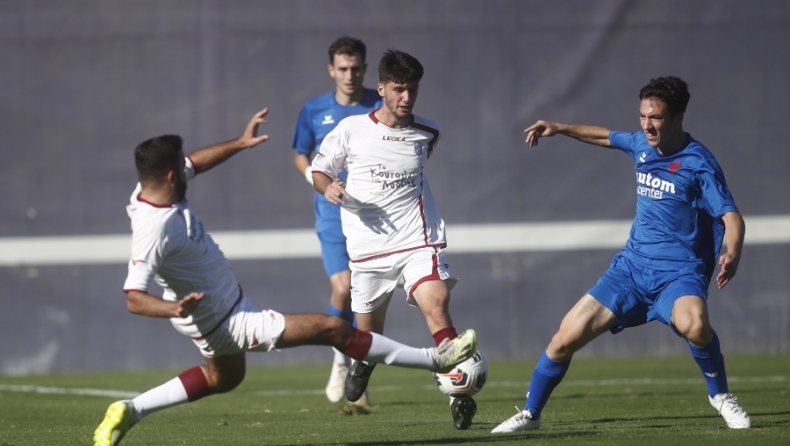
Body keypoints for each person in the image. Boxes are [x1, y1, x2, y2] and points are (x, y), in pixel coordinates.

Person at [92, 109, 478, 446]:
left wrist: (240, 143)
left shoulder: (153, 187)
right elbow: (133, 297)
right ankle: (436, 359)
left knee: (223, 379)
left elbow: (196, 162)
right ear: (170, 176)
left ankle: (130, 409)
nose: (189, 168)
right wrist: (174, 307)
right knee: (332, 328)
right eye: (182, 167)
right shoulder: (153, 228)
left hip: (221, 310)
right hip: (227, 322)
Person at [491, 76, 751, 433]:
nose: (646, 125)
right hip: (630, 271)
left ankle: (720, 395)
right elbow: (607, 137)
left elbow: (731, 216)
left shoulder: (698, 162)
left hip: (678, 275)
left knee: (695, 326)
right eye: (642, 116)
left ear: (677, 118)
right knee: (564, 338)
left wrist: (733, 252)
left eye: (656, 117)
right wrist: (559, 127)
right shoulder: (642, 144)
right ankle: (530, 415)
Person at [310, 49, 478, 430]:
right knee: (369, 337)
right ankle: (364, 361)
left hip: (418, 241)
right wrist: (328, 186)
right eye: (399, 89)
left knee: (438, 305)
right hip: (368, 252)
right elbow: (320, 170)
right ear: (382, 88)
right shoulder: (351, 129)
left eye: (413, 89)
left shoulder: (428, 132)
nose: (406, 97)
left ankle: (458, 394)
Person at [291, 36, 382, 405]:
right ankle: (340, 361)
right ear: (331, 70)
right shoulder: (313, 110)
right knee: (343, 289)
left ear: (365, 68)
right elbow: (301, 154)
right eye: (343, 68)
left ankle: (359, 367)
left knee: (368, 295)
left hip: (372, 215)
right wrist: (320, 182)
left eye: (356, 68)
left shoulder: (380, 105)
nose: (349, 74)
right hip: (331, 214)